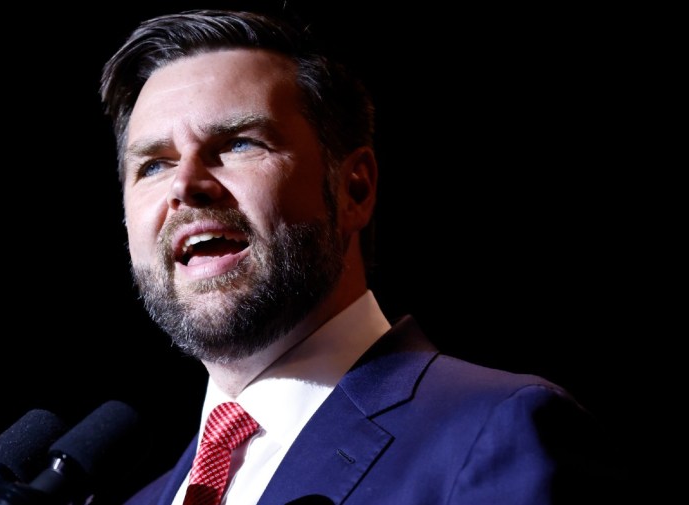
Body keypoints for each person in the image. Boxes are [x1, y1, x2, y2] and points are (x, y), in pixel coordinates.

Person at [98, 8, 614, 504]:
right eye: (153, 165)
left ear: (355, 189)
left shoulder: (493, 431)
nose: (186, 184)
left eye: (238, 144)